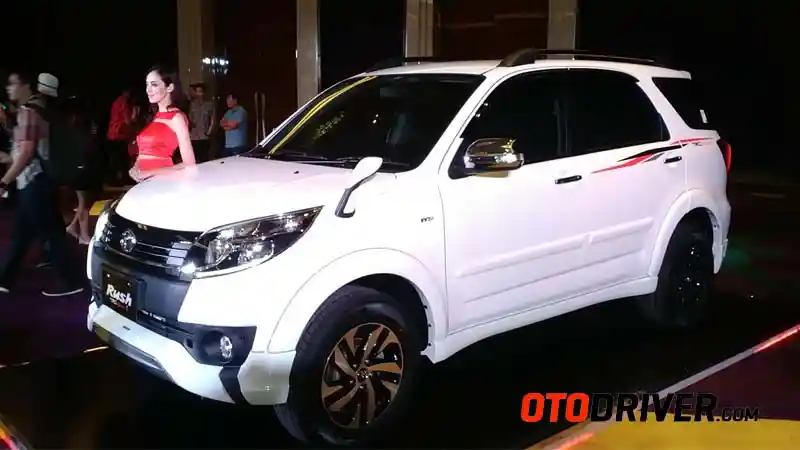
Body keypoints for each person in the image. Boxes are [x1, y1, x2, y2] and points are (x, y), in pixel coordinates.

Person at [0, 70, 84, 297]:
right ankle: (5, 279)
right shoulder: (44, 110)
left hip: (34, 180)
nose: (8, 88)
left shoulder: (29, 111)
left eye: (13, 84)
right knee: (23, 234)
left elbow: (26, 151)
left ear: (27, 86)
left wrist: (4, 181)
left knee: (50, 235)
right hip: (38, 180)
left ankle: (71, 283)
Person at [128, 65, 196, 182]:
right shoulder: (155, 116)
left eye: (154, 85)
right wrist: (135, 168)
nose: (148, 90)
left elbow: (189, 164)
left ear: (169, 87)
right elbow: (144, 153)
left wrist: (148, 173)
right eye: (147, 84)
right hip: (145, 182)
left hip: (162, 182)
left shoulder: (177, 118)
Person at [106, 88, 135, 186]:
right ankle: (121, 179)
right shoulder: (123, 103)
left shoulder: (116, 102)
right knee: (121, 159)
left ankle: (116, 179)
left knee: (115, 159)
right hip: (118, 135)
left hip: (113, 134)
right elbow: (128, 121)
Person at [188, 82, 215, 162]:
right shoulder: (192, 104)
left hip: (204, 136)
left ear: (204, 92)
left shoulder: (209, 104)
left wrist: (209, 132)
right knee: (195, 160)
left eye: (200, 91)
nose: (199, 94)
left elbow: (213, 120)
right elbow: (189, 119)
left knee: (205, 159)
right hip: (194, 136)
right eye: (197, 92)